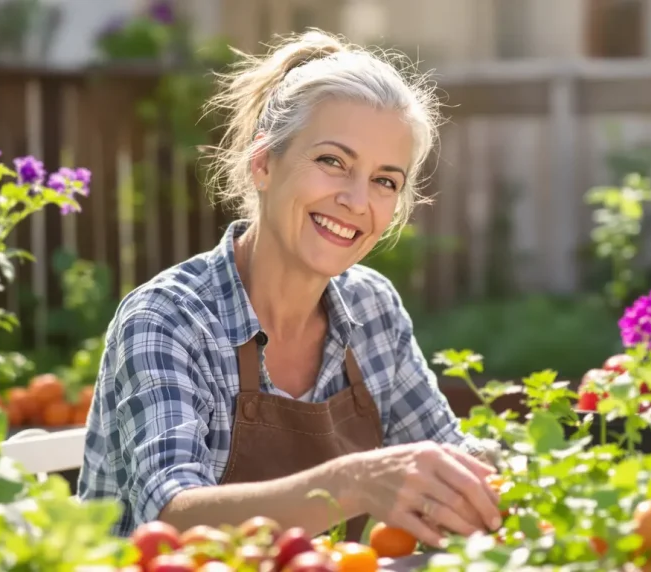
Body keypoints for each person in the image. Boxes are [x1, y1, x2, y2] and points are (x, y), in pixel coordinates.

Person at [77, 30, 502, 548]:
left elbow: (448, 458)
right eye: (332, 162)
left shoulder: (373, 308)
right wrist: (353, 482)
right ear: (263, 163)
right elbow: (172, 517)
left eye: (384, 181)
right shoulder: (169, 318)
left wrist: (544, 472)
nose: (356, 200)